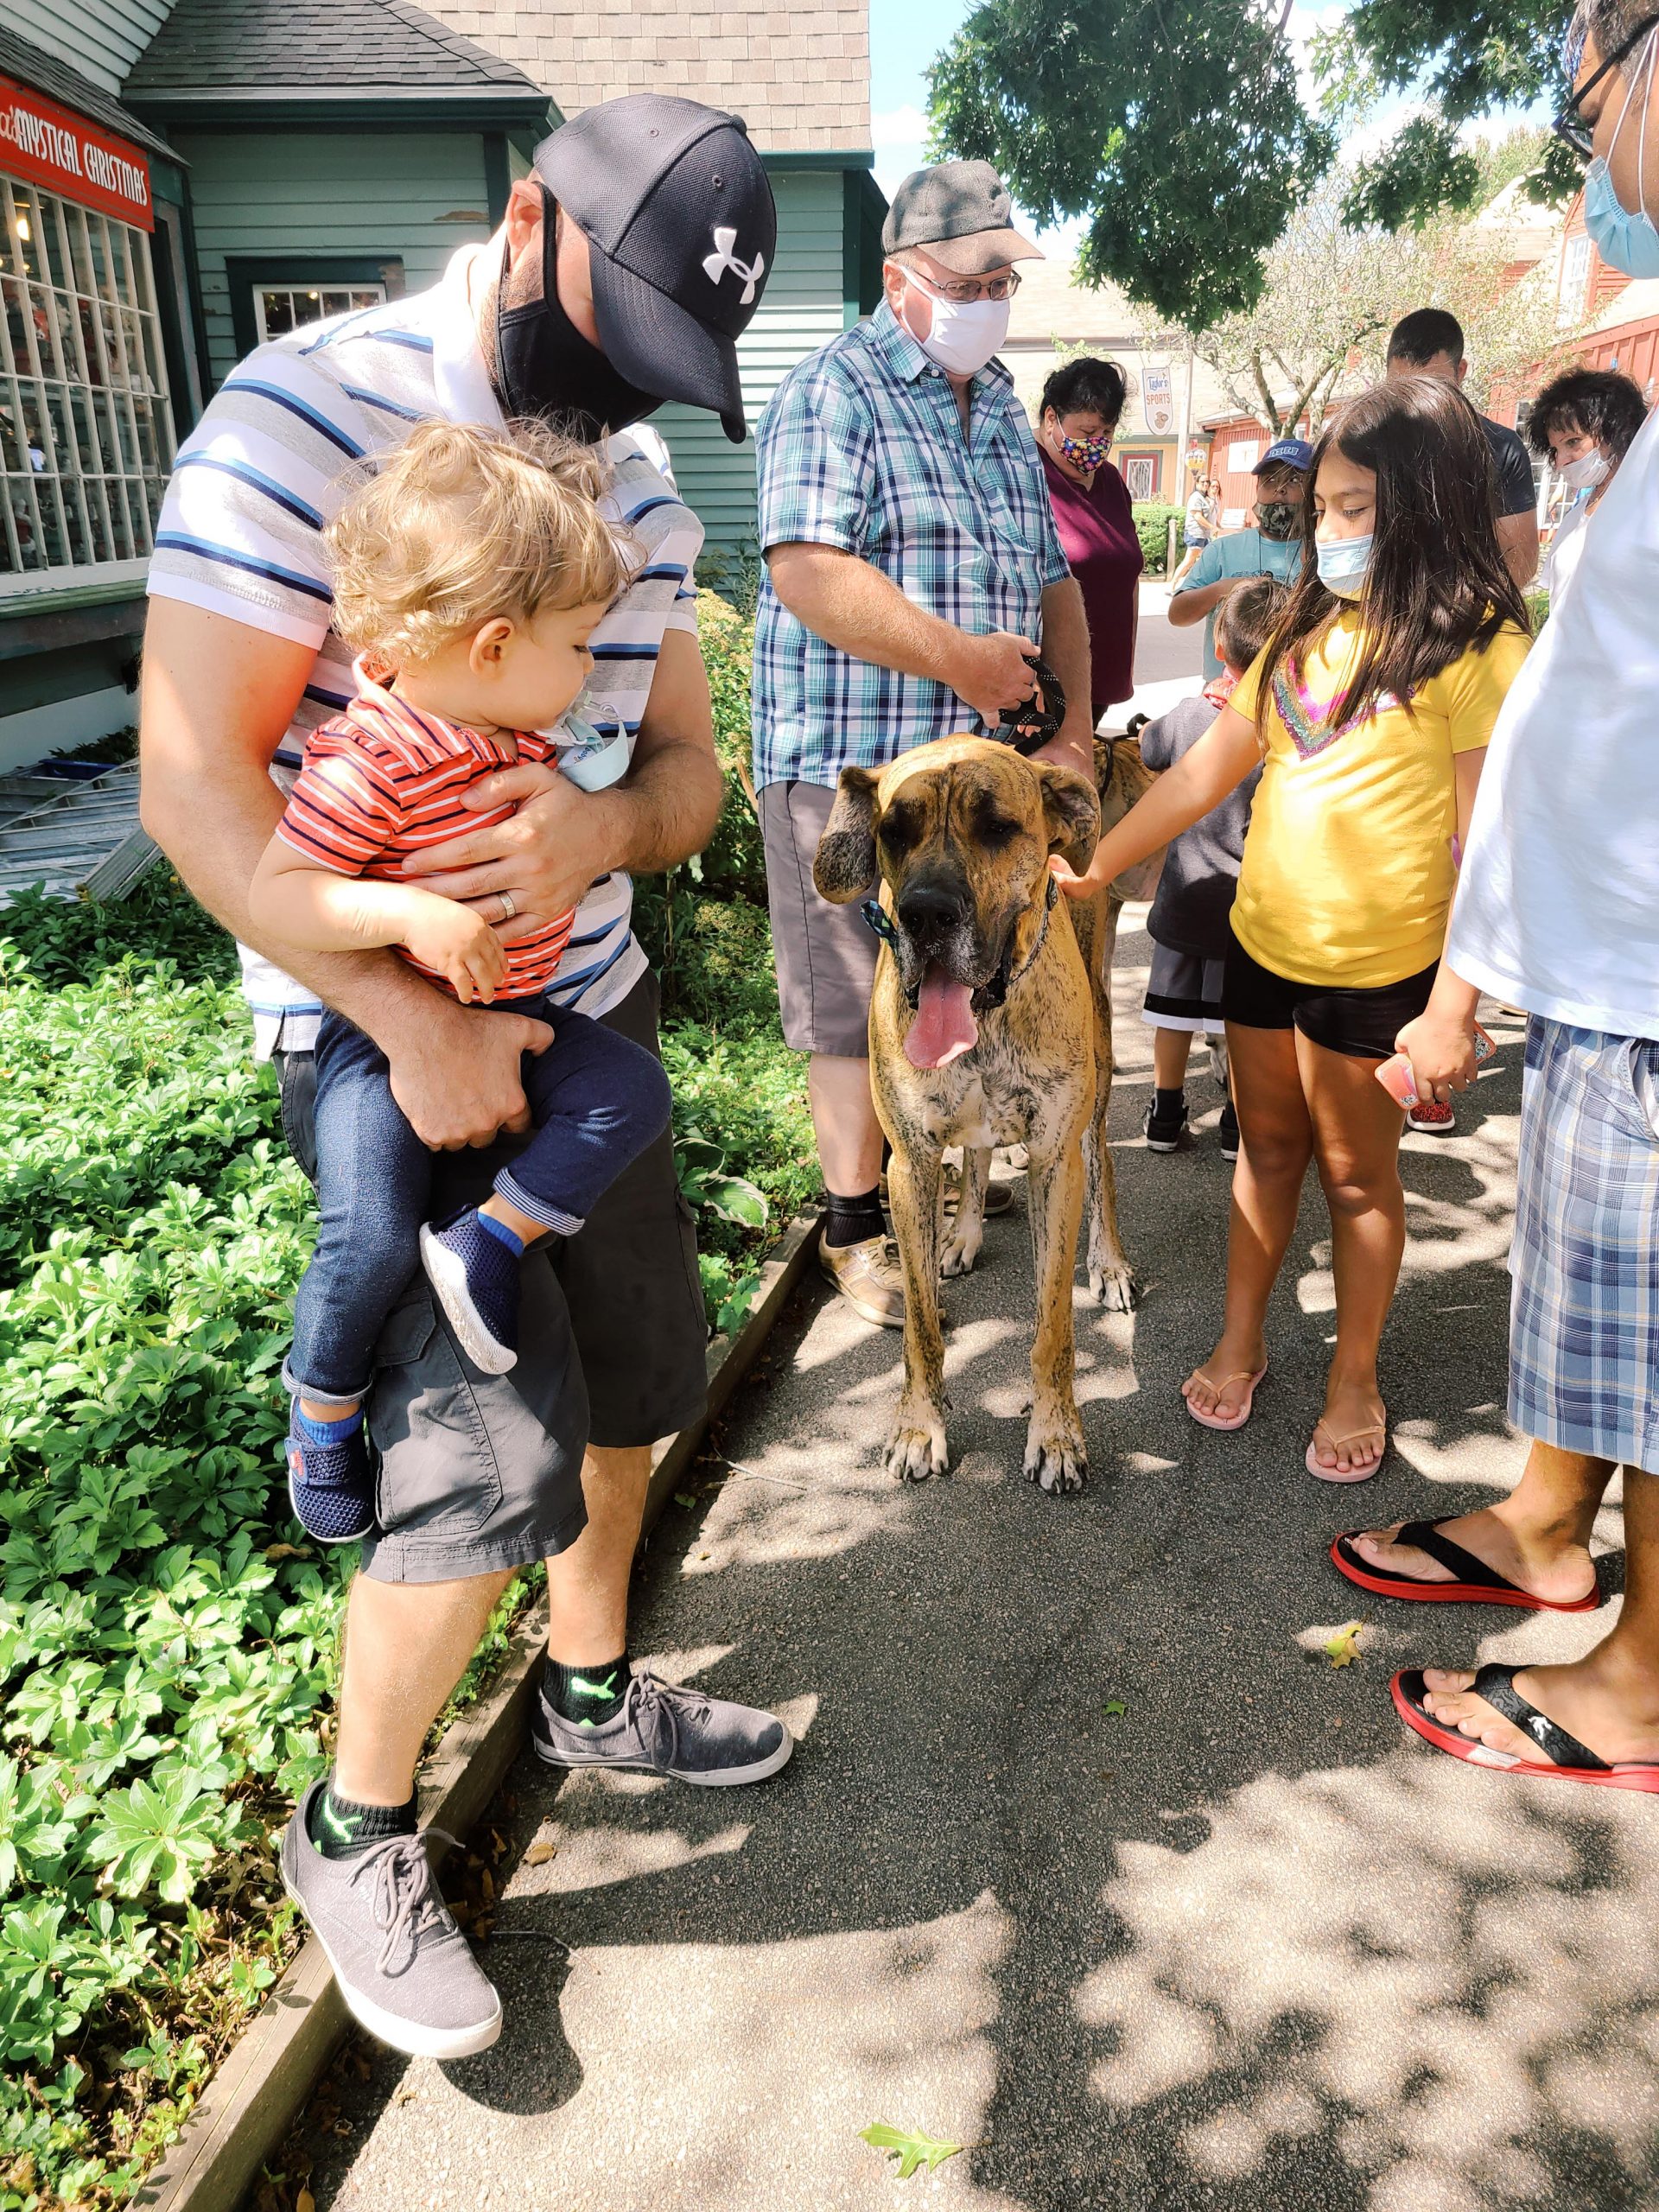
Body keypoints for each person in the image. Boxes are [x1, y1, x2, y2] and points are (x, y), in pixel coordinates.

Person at [140, 94, 792, 2062]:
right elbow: (197, 778)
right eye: (612, 347)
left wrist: (602, 834)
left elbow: (681, 774)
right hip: (388, 1033)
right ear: (530, 226)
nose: (617, 408)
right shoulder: (291, 413)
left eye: (665, 376)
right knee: (469, 1468)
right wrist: (414, 1020)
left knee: (636, 1391)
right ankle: (355, 1824)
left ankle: (591, 1690)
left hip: (584, 1012)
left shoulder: (647, 489)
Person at [1336, 0, 1659, 1793]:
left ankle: (1638, 1679)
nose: (1594, 151)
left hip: (1645, 967)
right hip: (1608, 968)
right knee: (1605, 1306)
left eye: (1592, 98)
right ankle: (1550, 1520)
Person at [1052, 377, 1531, 1481]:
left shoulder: (1478, 652)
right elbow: (1201, 773)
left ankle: (1354, 1373)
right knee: (1265, 1153)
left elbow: (1490, 852)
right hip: (1262, 953)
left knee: (1359, 1181)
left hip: (1383, 980)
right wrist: (1098, 863)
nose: (1330, 530)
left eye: (1357, 509)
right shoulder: (1302, 634)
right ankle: (1242, 1335)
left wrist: (1455, 1009)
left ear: (1429, 505)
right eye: (1323, 508)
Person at [248, 423, 673, 1541]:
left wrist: (600, 811)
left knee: (632, 1092)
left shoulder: (524, 725)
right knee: (370, 1231)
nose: (594, 671)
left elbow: (645, 786)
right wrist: (411, 915)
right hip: (378, 1043)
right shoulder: (373, 753)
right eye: (581, 644)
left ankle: (492, 1235)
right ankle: (322, 1406)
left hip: (527, 1012)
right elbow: (278, 892)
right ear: (491, 647)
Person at [752, 158, 1094, 1329]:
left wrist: (1077, 742)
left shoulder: (998, 400)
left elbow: (1054, 587)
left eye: (1006, 274)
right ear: (905, 278)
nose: (997, 292)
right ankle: (858, 1227)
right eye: (976, 274)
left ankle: (944, 1163)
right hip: (852, 764)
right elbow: (805, 568)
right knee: (854, 1002)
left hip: (975, 783)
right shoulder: (834, 391)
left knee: (969, 971)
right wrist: (958, 661)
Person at [1139, 576, 1287, 1160]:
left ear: (1220, 648)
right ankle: (1234, 1122)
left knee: (1170, 1014)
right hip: (1245, 908)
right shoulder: (1278, 728)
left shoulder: (1190, 715)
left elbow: (1150, 749)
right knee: (1237, 1021)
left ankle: (1164, 1113)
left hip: (1183, 896)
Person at [1385, 308, 1541, 591]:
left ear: (1460, 372)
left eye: (1432, 386)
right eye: (1403, 388)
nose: (1417, 401)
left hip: (1467, 615)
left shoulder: (1500, 447)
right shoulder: (1367, 442)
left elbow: (1521, 557)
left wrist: (1464, 614)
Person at [1034, 356, 1144, 721]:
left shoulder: (1112, 481)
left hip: (1102, 680)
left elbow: (1128, 572)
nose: (1096, 444)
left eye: (1107, 433)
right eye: (1086, 432)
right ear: (1052, 419)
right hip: (1046, 685)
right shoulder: (1026, 474)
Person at [1168, 440, 1312, 679]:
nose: (1280, 490)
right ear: (1257, 489)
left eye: (1294, 480)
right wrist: (1224, 589)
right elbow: (1177, 615)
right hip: (1223, 700)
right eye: (1270, 480)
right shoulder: (1222, 550)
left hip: (1295, 702)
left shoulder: (1322, 555)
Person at [1526, 364, 1646, 607]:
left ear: (1616, 430)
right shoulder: (1574, 517)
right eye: (1555, 449)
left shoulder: (1645, 512)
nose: (1561, 460)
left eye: (1573, 442)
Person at [1171, 474, 1217, 588]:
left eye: (1207, 482)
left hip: (1203, 535)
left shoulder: (1205, 498)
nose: (1206, 484)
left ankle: (1192, 586)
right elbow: (1197, 516)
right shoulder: (1195, 497)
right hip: (1195, 533)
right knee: (1189, 561)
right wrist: (1212, 527)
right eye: (1203, 482)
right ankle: (1173, 585)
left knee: (1203, 560)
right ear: (1197, 484)